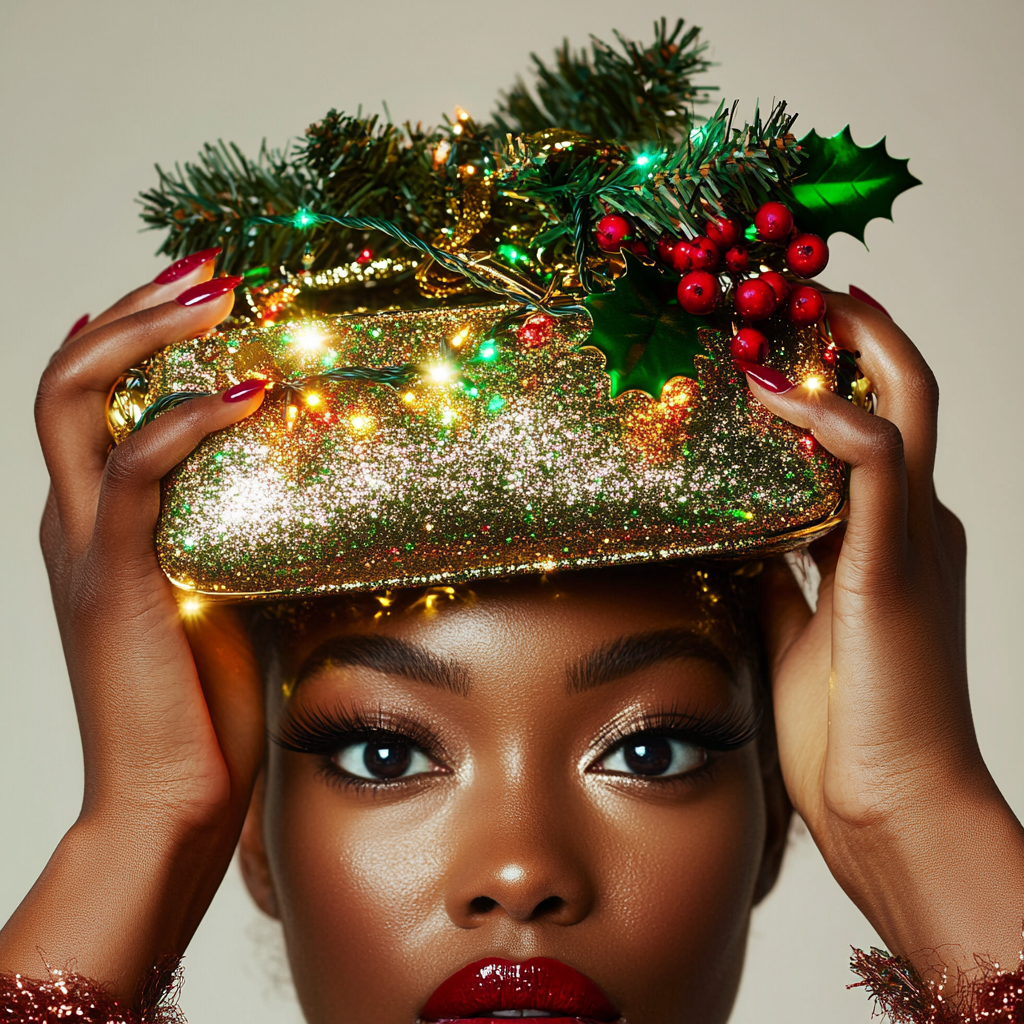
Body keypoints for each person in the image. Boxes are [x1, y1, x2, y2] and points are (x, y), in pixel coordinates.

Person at [3, 20, 1024, 1023]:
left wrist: (914, 811)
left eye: (650, 751)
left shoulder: (883, 809)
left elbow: (907, 810)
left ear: (773, 818)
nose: (520, 872)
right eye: (383, 755)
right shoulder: (193, 828)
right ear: (257, 838)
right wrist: (138, 823)